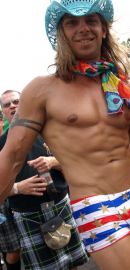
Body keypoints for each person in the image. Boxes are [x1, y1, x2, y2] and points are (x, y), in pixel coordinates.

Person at [0, 1, 130, 269]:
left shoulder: (122, 85)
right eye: (72, 22)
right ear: (62, 33)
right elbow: (11, 157)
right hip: (95, 205)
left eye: (91, 20)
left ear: (103, 29)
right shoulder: (41, 90)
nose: (83, 28)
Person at [0, 90, 89, 269]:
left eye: (16, 101)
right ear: (2, 111)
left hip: (60, 206)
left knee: (73, 263)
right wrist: (18, 188)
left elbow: (77, 164)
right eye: (6, 104)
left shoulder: (49, 132)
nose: (12, 106)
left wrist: (53, 161)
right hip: (28, 215)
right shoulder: (1, 145)